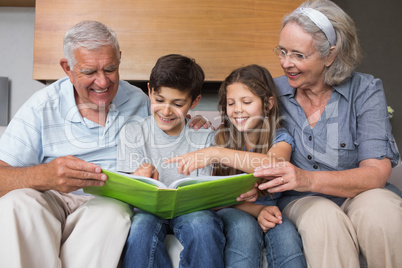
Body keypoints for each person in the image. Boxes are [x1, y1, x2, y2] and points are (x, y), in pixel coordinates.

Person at [0, 21, 209, 268]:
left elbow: (169, 123)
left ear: (119, 59)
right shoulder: (41, 106)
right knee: (16, 204)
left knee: (113, 213)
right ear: (68, 68)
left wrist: (194, 123)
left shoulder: (139, 101)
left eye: (110, 69)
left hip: (106, 202)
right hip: (52, 198)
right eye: (89, 72)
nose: (102, 82)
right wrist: (43, 175)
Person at [252, 0, 402, 267]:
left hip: (360, 193)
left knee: (382, 213)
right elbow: (235, 122)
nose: (286, 63)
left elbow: (376, 172)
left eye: (299, 55)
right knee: (323, 219)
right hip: (301, 200)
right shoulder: (270, 91)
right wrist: (195, 124)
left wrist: (306, 178)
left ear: (330, 55)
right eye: (282, 51)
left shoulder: (365, 90)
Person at [167, 64, 306, 267]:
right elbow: (211, 196)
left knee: (285, 233)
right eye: (231, 103)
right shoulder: (218, 137)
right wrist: (255, 210)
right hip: (231, 209)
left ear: (268, 104)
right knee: (244, 228)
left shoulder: (279, 138)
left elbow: (274, 165)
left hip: (270, 210)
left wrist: (216, 154)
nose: (238, 109)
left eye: (247, 102)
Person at [117, 54, 225, 268]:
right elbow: (127, 192)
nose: (166, 111)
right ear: (149, 91)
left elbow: (206, 193)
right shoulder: (133, 132)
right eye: (159, 100)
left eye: (177, 103)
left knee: (204, 226)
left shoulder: (204, 135)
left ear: (194, 102)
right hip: (147, 211)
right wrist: (136, 178)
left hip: (192, 210)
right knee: (140, 228)